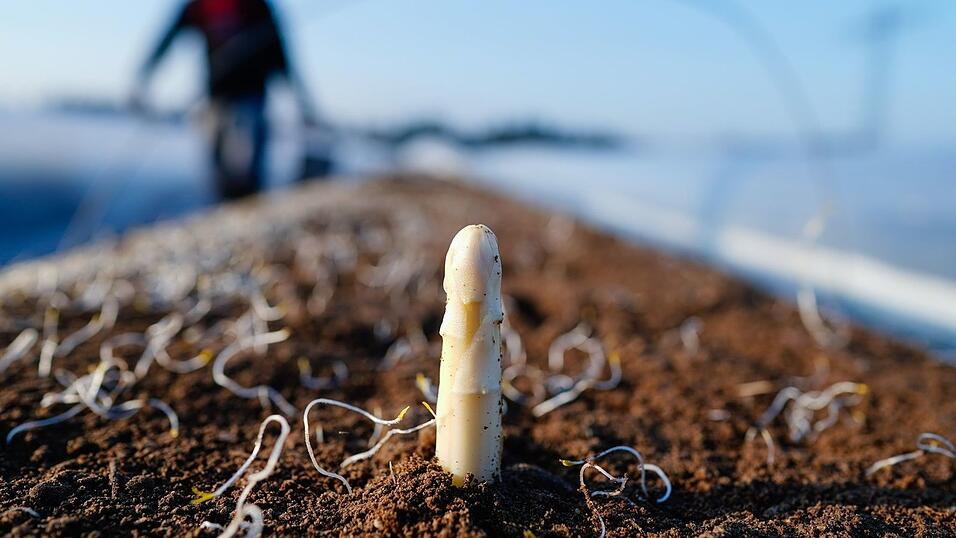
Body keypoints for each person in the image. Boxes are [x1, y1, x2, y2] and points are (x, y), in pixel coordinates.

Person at [132, 0, 318, 199]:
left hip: (251, 98)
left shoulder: (257, 6)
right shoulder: (199, 6)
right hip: (215, 99)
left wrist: (300, 100)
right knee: (219, 172)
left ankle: (250, 211)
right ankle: (225, 211)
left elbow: (281, 57)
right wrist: (144, 77)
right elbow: (167, 39)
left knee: (247, 168)